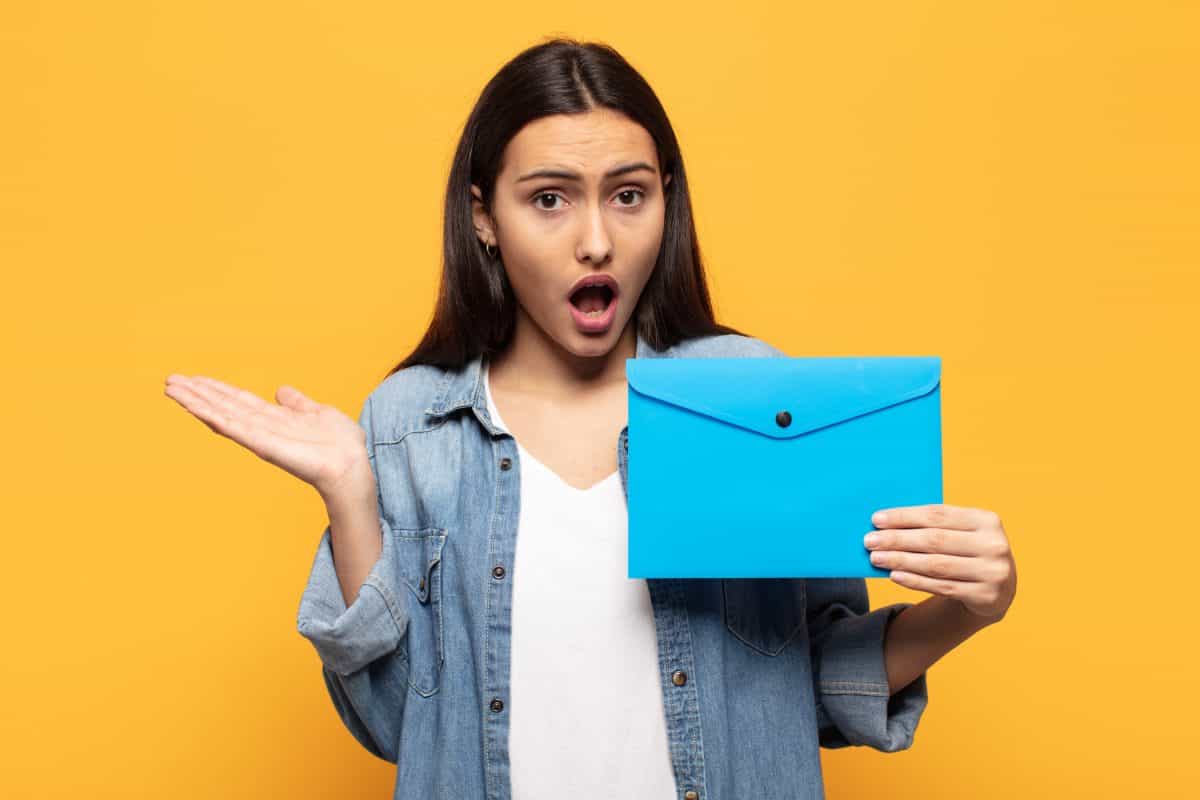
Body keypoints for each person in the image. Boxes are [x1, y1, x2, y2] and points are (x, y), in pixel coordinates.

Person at [164, 37, 1017, 800]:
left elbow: (818, 686)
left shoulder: (746, 395)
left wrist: (968, 608)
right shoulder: (412, 423)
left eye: (628, 196)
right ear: (481, 217)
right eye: (549, 200)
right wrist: (351, 491)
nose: (597, 242)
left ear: (666, 204)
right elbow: (399, 731)